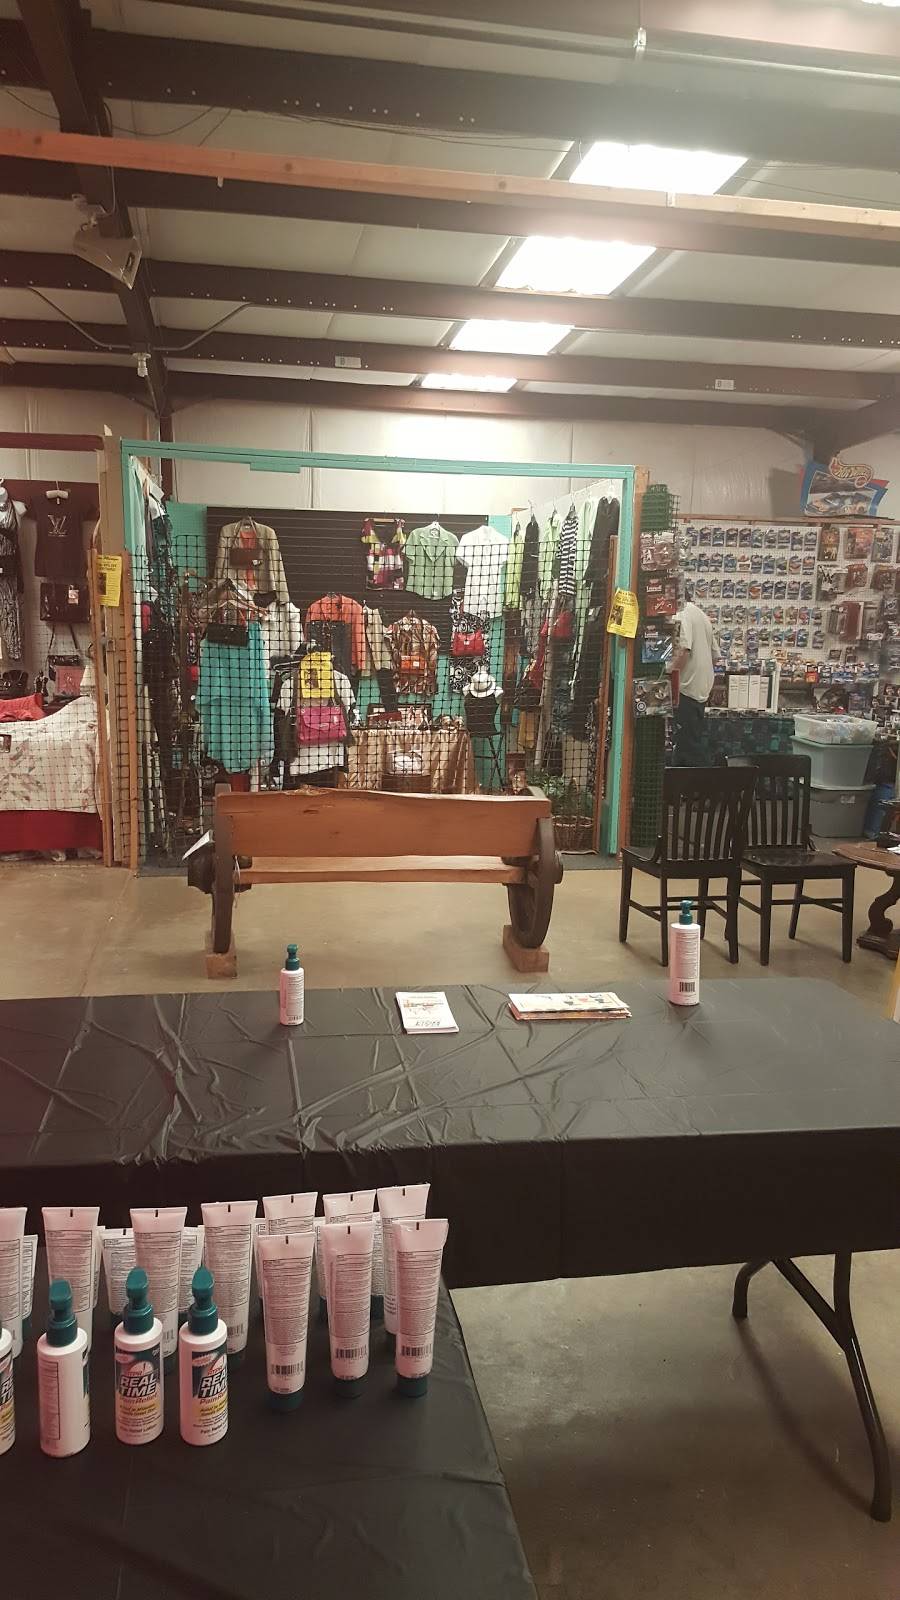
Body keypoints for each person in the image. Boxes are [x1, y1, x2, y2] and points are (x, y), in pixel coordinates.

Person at [671, 586, 718, 766]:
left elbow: (684, 650)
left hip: (686, 690)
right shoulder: (702, 616)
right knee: (691, 741)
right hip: (701, 690)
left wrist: (667, 677)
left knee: (688, 747)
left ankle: (708, 780)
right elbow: (715, 656)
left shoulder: (681, 612)